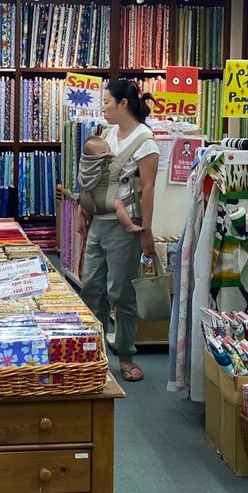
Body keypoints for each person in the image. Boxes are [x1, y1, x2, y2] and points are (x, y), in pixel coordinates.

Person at [78, 80, 158, 383]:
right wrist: (83, 209)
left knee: (121, 292)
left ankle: (125, 355)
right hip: (99, 222)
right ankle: (93, 352)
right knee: (91, 289)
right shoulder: (108, 134)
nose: (104, 107)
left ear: (124, 104)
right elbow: (93, 177)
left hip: (126, 228)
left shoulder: (144, 141)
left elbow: (148, 189)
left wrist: (146, 230)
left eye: (108, 102)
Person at [78, 133, 143, 230]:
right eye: (103, 152)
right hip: (102, 201)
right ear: (92, 156)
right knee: (119, 204)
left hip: (86, 201)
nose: (109, 153)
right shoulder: (105, 163)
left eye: (109, 150)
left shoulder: (85, 165)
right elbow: (119, 167)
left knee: (89, 212)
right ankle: (129, 225)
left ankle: (90, 223)